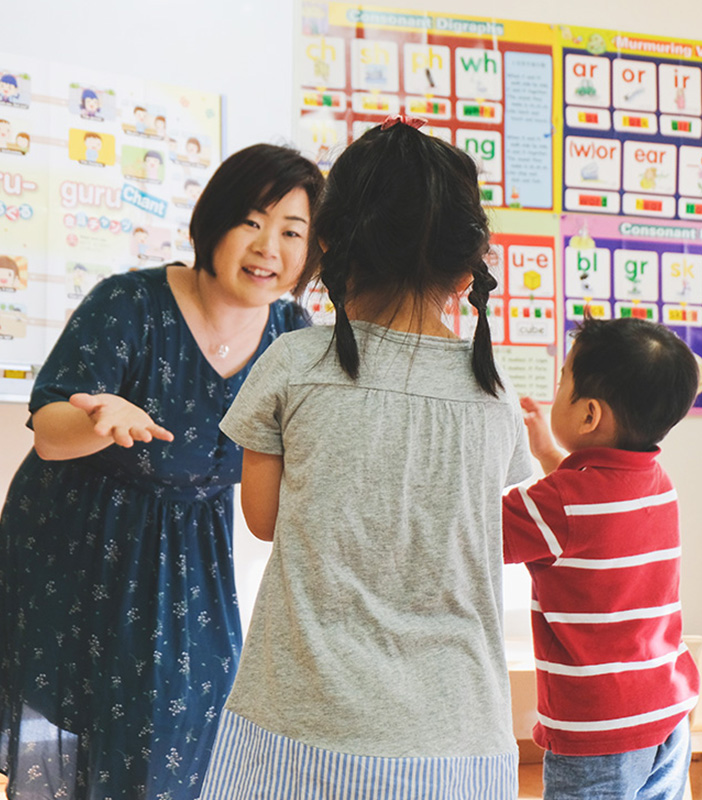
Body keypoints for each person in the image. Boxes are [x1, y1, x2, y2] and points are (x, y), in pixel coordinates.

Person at [0, 143, 324, 800]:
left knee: (192, 713)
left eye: (291, 232)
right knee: (91, 732)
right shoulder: (128, 303)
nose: (268, 246)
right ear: (214, 222)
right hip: (82, 539)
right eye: (251, 220)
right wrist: (102, 420)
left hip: (193, 554)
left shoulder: (292, 336)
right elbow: (49, 431)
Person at [198, 116, 533, 799]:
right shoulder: (494, 395)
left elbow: (263, 520)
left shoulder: (294, 364)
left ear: (327, 243)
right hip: (461, 740)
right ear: (468, 265)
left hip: (303, 729)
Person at [502, 316, 700, 800]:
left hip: (598, 732)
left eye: (561, 380)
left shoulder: (556, 504)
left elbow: (465, 532)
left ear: (589, 415)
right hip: (667, 711)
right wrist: (550, 454)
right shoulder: (657, 485)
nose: (556, 389)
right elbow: (589, 517)